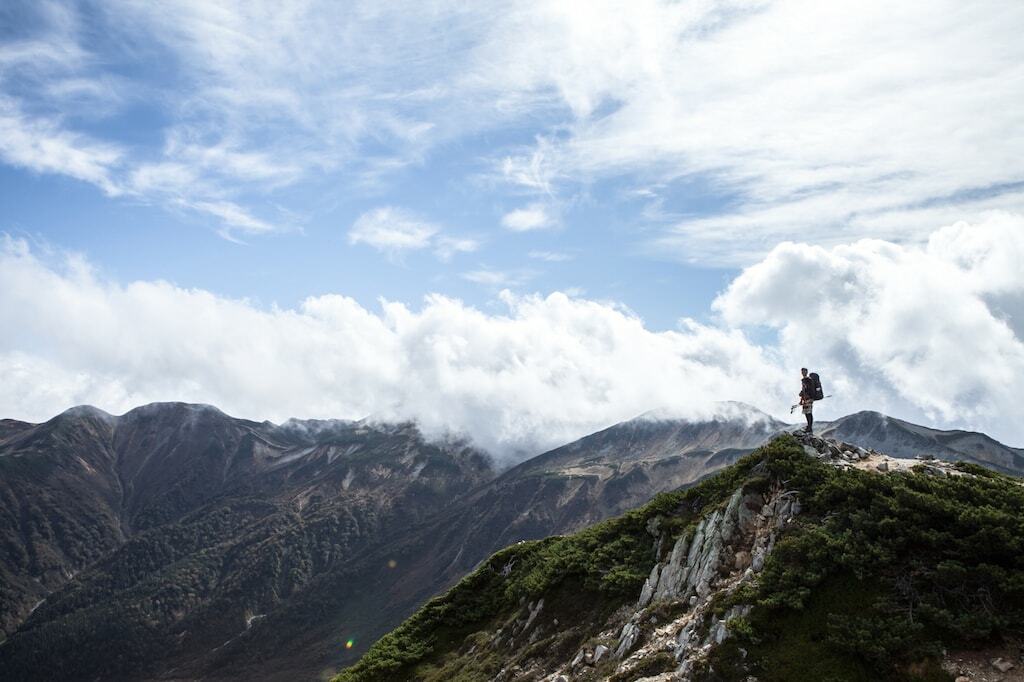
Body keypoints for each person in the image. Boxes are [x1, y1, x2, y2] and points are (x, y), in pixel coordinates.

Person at [799, 368, 815, 433]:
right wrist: (801, 395)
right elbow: (804, 389)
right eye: (802, 372)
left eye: (804, 371)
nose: (803, 373)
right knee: (806, 412)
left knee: (809, 413)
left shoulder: (808, 380)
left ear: (807, 372)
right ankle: (809, 426)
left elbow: (810, 389)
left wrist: (811, 397)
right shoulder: (804, 380)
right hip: (805, 399)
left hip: (809, 398)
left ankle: (810, 427)